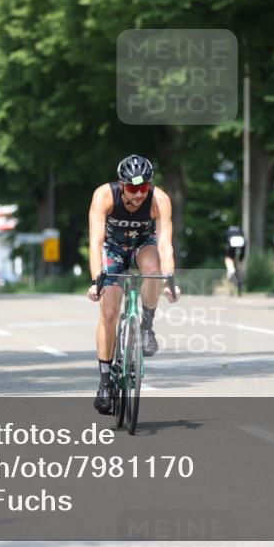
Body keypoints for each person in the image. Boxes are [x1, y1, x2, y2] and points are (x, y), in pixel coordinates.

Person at [87, 154, 179, 415]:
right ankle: (105, 382)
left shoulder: (159, 200)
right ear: (121, 184)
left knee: (153, 269)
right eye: (132, 188)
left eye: (144, 187)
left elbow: (165, 244)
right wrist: (96, 280)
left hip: (142, 245)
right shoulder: (104, 196)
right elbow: (95, 241)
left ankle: (146, 326)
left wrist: (170, 279)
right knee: (109, 314)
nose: (138, 194)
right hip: (113, 249)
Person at [224, 225, 246, 294]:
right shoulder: (240, 230)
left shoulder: (227, 231)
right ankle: (240, 272)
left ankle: (231, 269)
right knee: (240, 261)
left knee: (228, 258)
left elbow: (226, 242)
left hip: (232, 241)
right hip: (241, 242)